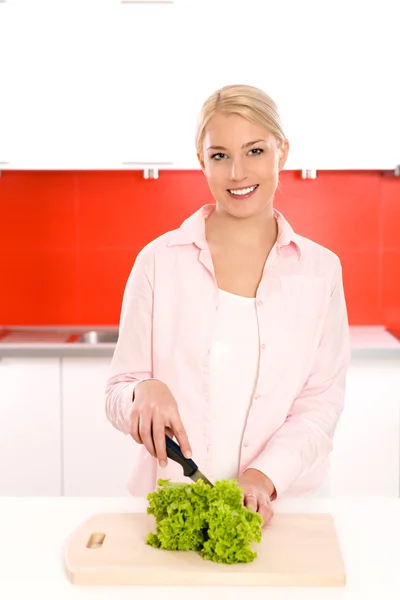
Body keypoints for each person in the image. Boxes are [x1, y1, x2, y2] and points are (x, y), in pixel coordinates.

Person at [105, 84, 351, 528]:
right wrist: (142, 392)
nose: (238, 172)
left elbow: (321, 404)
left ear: (283, 151)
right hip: (175, 506)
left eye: (255, 150)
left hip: (286, 508)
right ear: (202, 161)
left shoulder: (320, 271)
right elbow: (119, 390)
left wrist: (261, 477)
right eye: (220, 155)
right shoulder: (158, 262)